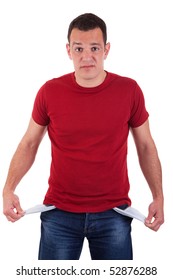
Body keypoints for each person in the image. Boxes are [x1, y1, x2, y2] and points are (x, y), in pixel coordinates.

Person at [2, 13, 164, 260]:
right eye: (78, 48)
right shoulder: (49, 91)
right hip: (59, 213)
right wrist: (8, 189)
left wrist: (158, 196)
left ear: (106, 50)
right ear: (68, 50)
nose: (86, 56)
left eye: (94, 48)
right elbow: (29, 143)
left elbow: (145, 146)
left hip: (114, 212)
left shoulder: (129, 90)